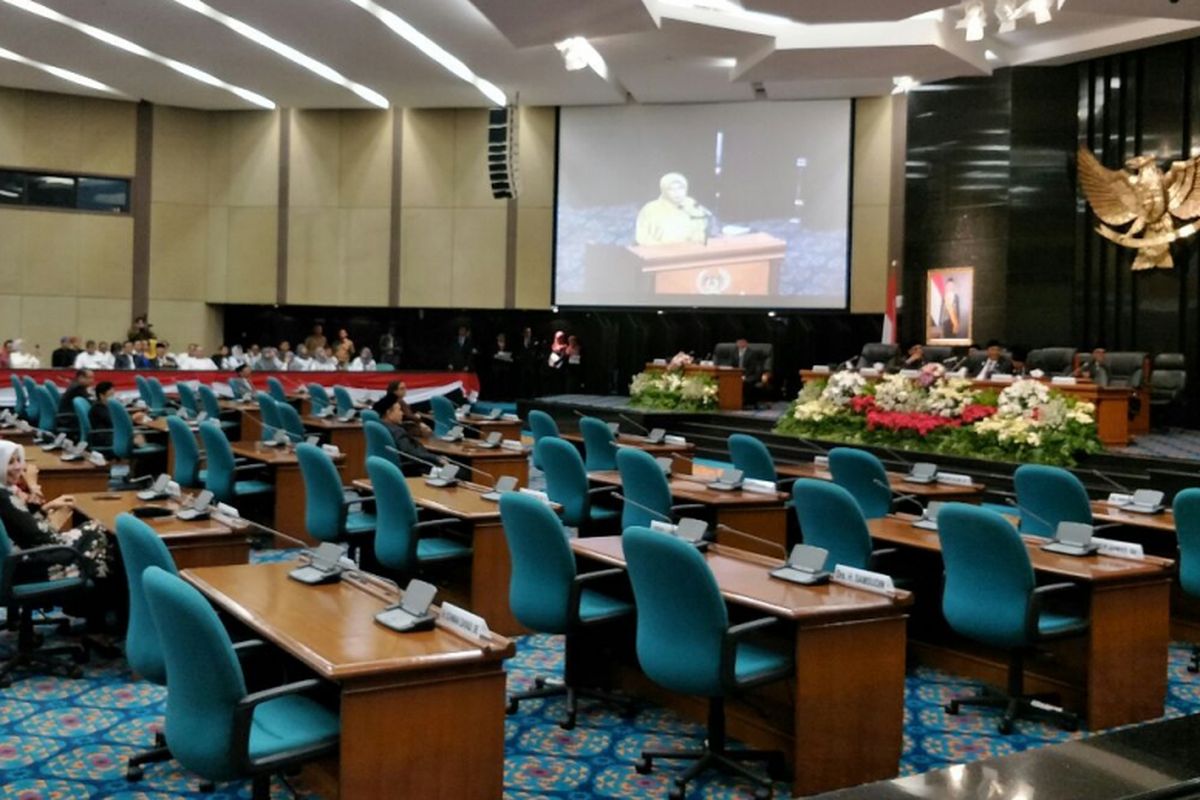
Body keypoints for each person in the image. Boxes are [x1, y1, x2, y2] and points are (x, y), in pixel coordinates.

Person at [0, 441, 113, 586]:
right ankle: (99, 597)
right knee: (97, 530)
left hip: (16, 560)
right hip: (28, 566)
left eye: (18, 460)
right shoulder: (4, 497)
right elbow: (41, 536)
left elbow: (22, 525)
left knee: (91, 532)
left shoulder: (6, 492)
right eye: (10, 462)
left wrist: (46, 509)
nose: (18, 467)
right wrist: (34, 488)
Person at [635, 172, 713, 246]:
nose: (677, 192)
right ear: (664, 190)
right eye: (671, 189)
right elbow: (642, 237)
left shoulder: (693, 206)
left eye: (680, 188)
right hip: (658, 254)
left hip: (688, 253)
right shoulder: (650, 209)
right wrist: (662, 250)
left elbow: (700, 233)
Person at [378, 394, 439, 477]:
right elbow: (411, 453)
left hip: (394, 469)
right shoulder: (397, 431)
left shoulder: (380, 426)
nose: (402, 413)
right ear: (389, 413)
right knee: (459, 472)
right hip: (417, 468)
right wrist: (437, 458)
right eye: (399, 410)